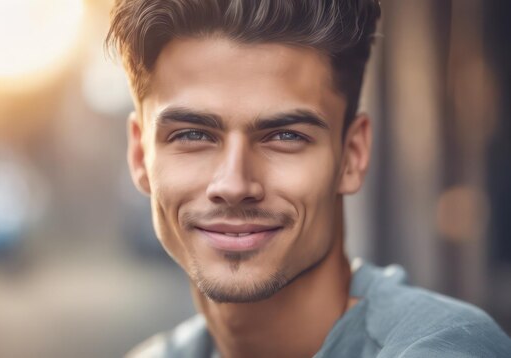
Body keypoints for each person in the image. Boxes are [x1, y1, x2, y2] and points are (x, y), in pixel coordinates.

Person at [106, 0, 511, 356]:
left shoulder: (446, 347)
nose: (233, 184)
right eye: (192, 135)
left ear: (352, 156)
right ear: (140, 155)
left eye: (285, 136)